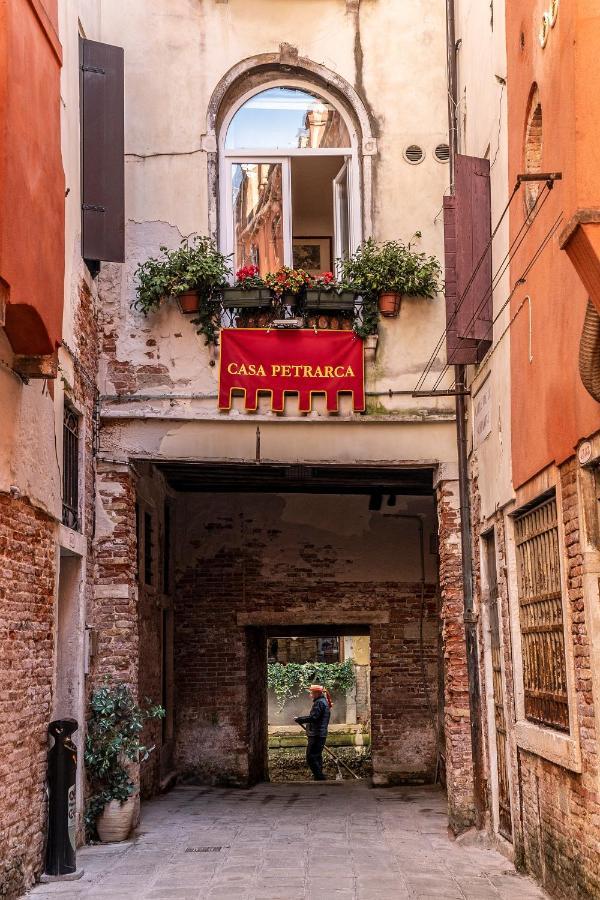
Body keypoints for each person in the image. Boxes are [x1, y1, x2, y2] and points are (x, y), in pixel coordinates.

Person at [294, 684, 332, 781]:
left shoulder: (319, 703)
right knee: (317, 756)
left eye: (312, 693)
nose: (310, 695)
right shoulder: (323, 702)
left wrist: (299, 719)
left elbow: (313, 718)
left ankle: (320, 777)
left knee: (311, 756)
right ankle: (318, 777)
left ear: (317, 693)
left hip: (316, 734)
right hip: (321, 734)